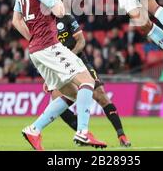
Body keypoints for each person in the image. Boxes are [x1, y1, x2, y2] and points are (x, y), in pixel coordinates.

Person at [12, 0, 106, 150]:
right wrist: (59, 3)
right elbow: (59, 11)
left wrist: (31, 37)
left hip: (36, 50)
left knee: (70, 94)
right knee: (87, 81)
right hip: (49, 46)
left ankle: (34, 129)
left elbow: (15, 20)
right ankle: (82, 132)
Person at [47, 13, 131, 147]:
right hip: (58, 68)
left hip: (79, 62)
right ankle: (84, 134)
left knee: (101, 96)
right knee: (58, 103)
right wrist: (47, 76)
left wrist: (70, 57)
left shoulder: (67, 18)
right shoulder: (44, 24)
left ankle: (121, 135)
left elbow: (81, 42)